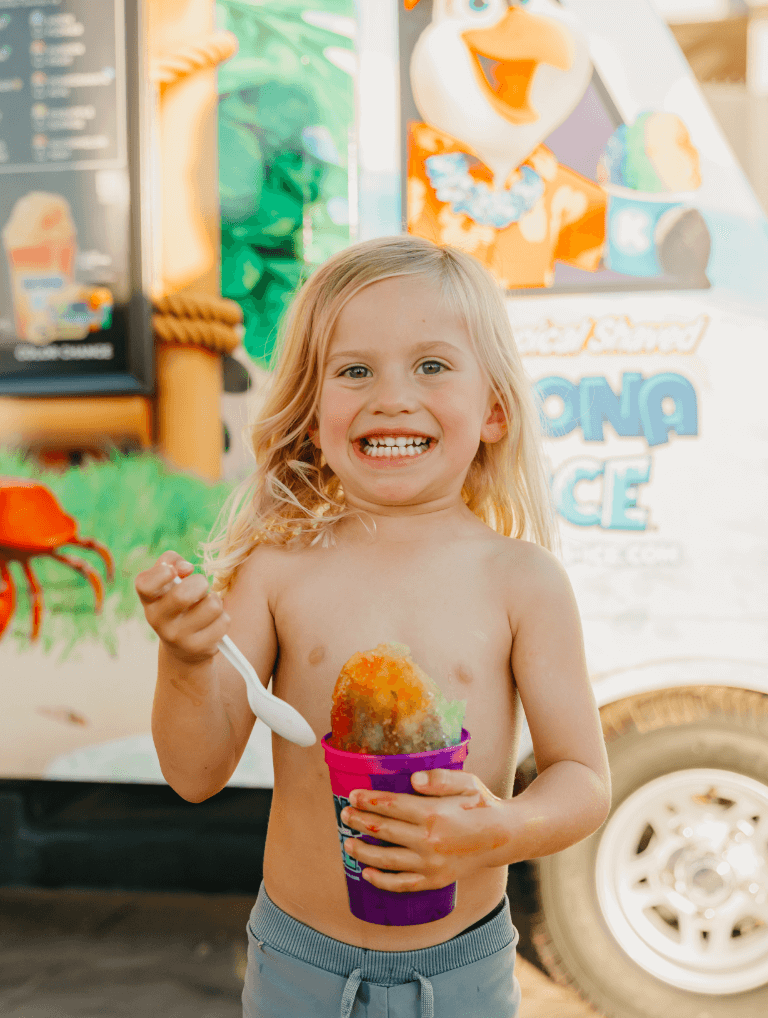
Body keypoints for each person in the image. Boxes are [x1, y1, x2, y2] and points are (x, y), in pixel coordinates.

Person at [135, 235, 611, 1018]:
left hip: (463, 973)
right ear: (313, 417)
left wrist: (502, 828)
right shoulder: (276, 571)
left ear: (493, 409)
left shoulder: (522, 583)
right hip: (300, 967)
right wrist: (184, 660)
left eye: (431, 365)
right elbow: (195, 773)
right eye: (354, 371)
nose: (391, 397)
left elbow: (584, 782)